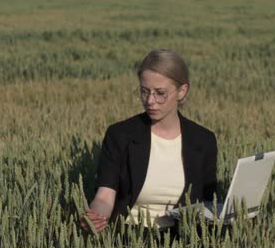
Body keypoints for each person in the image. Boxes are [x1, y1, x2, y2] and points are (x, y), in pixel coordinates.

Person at [79, 49, 218, 235]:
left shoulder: (203, 140)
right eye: (144, 92)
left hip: (184, 240)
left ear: (182, 91)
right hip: (127, 238)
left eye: (160, 93)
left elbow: (208, 202)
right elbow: (105, 195)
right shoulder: (120, 135)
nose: (150, 101)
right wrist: (96, 217)